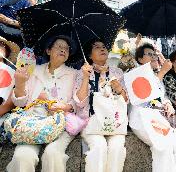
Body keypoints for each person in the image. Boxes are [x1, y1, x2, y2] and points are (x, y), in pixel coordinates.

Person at [7, 35, 78, 172]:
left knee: (53, 154)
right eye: (59, 46)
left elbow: (78, 103)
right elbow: (20, 102)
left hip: (60, 124)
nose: (63, 50)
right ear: (48, 50)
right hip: (32, 123)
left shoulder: (74, 74)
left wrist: (65, 106)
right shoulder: (34, 71)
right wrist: (20, 83)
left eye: (66, 48)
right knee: (23, 156)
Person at [129, 43, 176, 172]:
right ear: (140, 59)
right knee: (163, 145)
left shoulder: (156, 74)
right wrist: (162, 72)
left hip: (158, 119)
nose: (154, 57)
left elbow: (162, 96)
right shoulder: (134, 73)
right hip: (142, 118)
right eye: (149, 54)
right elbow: (144, 96)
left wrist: (167, 103)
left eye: (154, 54)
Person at [74, 38, 128, 172]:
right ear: (89, 55)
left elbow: (126, 101)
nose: (102, 49)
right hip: (90, 121)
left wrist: (119, 89)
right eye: (96, 47)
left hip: (115, 123)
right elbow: (80, 103)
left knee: (117, 148)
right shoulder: (82, 72)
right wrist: (86, 78)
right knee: (99, 146)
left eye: (104, 46)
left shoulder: (118, 73)